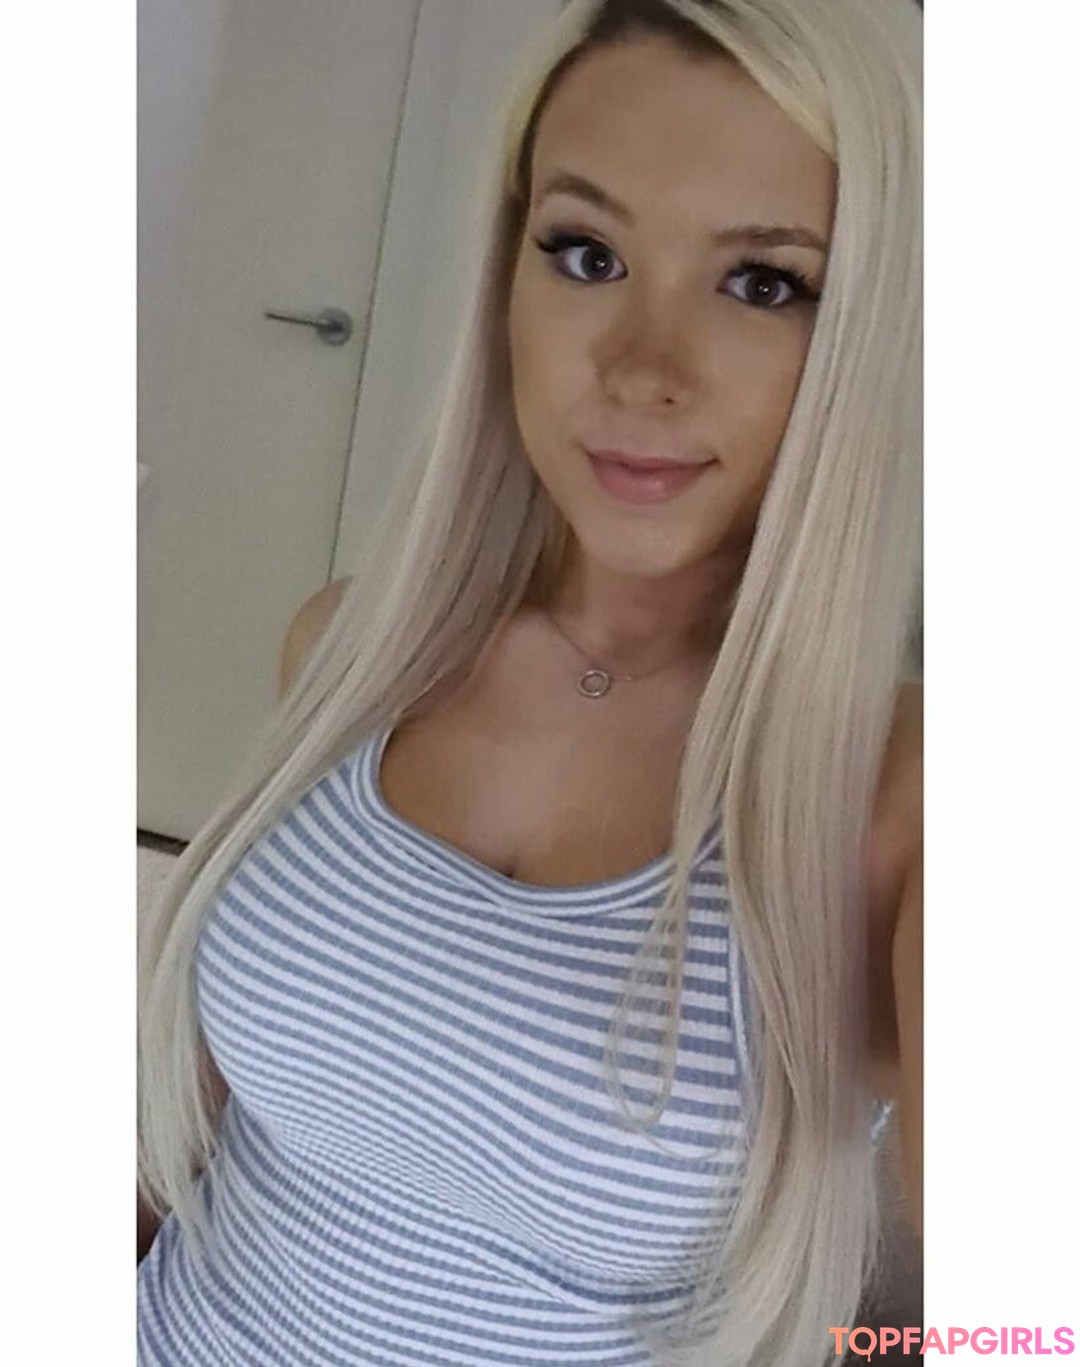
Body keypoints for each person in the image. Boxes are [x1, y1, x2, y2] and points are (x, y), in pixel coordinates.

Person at [137, 0, 922, 1363]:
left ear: (862, 330)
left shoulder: (901, 804)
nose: (640, 370)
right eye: (586, 254)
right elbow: (193, 1145)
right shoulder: (351, 651)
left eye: (762, 282)